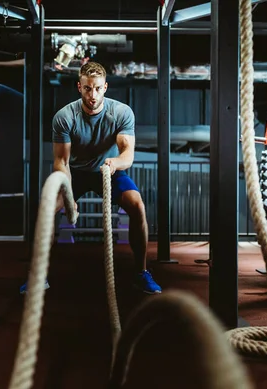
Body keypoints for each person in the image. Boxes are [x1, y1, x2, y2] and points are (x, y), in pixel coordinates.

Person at [22, 61, 162, 295]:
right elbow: (61, 161)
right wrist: (67, 194)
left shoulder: (121, 112)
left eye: (97, 88)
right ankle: (39, 276)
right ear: (79, 87)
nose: (93, 94)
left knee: (137, 205)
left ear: (105, 87)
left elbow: (127, 152)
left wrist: (115, 163)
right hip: (74, 173)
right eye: (87, 88)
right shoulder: (65, 116)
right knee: (46, 210)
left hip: (109, 171)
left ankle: (142, 273)